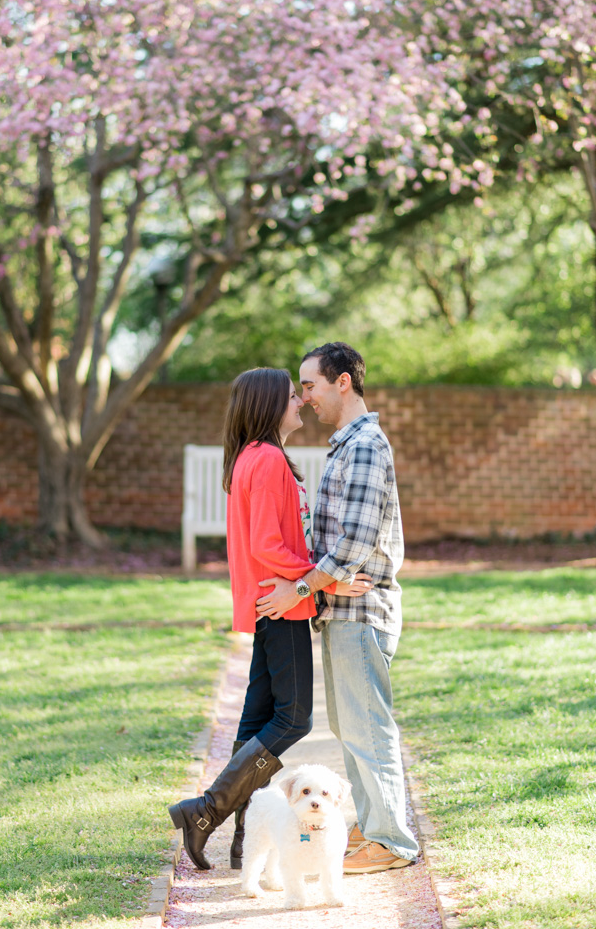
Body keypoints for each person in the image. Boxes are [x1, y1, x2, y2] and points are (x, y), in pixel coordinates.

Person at [168, 367, 371, 871]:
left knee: (259, 718)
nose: (299, 402)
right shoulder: (269, 462)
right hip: (281, 603)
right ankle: (208, 809)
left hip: (267, 602)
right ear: (266, 405)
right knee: (294, 716)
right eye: (289, 396)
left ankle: (245, 838)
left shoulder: (249, 459)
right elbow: (268, 545)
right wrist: (321, 580)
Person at [256, 342, 420, 874]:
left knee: (368, 727)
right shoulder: (346, 446)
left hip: (363, 611)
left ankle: (391, 841)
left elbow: (354, 543)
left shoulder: (366, 444)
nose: (304, 398)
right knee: (352, 728)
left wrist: (300, 589)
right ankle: (372, 828)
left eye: (310, 385)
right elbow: (336, 542)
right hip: (342, 609)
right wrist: (323, 586)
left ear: (342, 382)